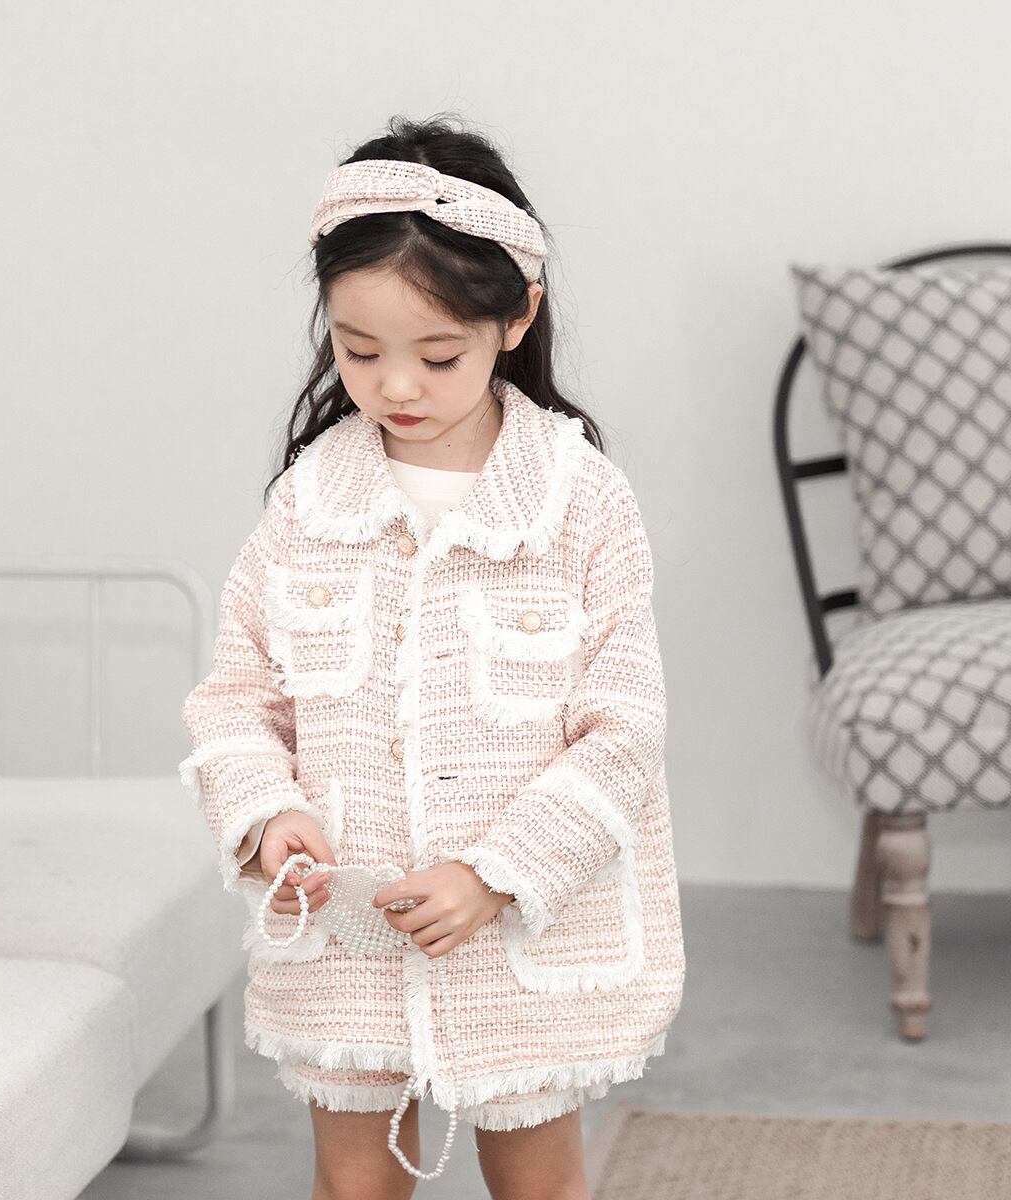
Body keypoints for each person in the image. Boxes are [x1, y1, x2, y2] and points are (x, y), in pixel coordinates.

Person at [179, 114, 685, 1199]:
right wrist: (268, 815)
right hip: (350, 935)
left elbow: (625, 730)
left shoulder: (582, 503)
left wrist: (498, 875)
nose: (396, 387)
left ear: (517, 317)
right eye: (359, 351)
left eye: (438, 355)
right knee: (353, 1187)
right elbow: (236, 697)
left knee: (539, 1186)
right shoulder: (309, 504)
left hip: (524, 946)